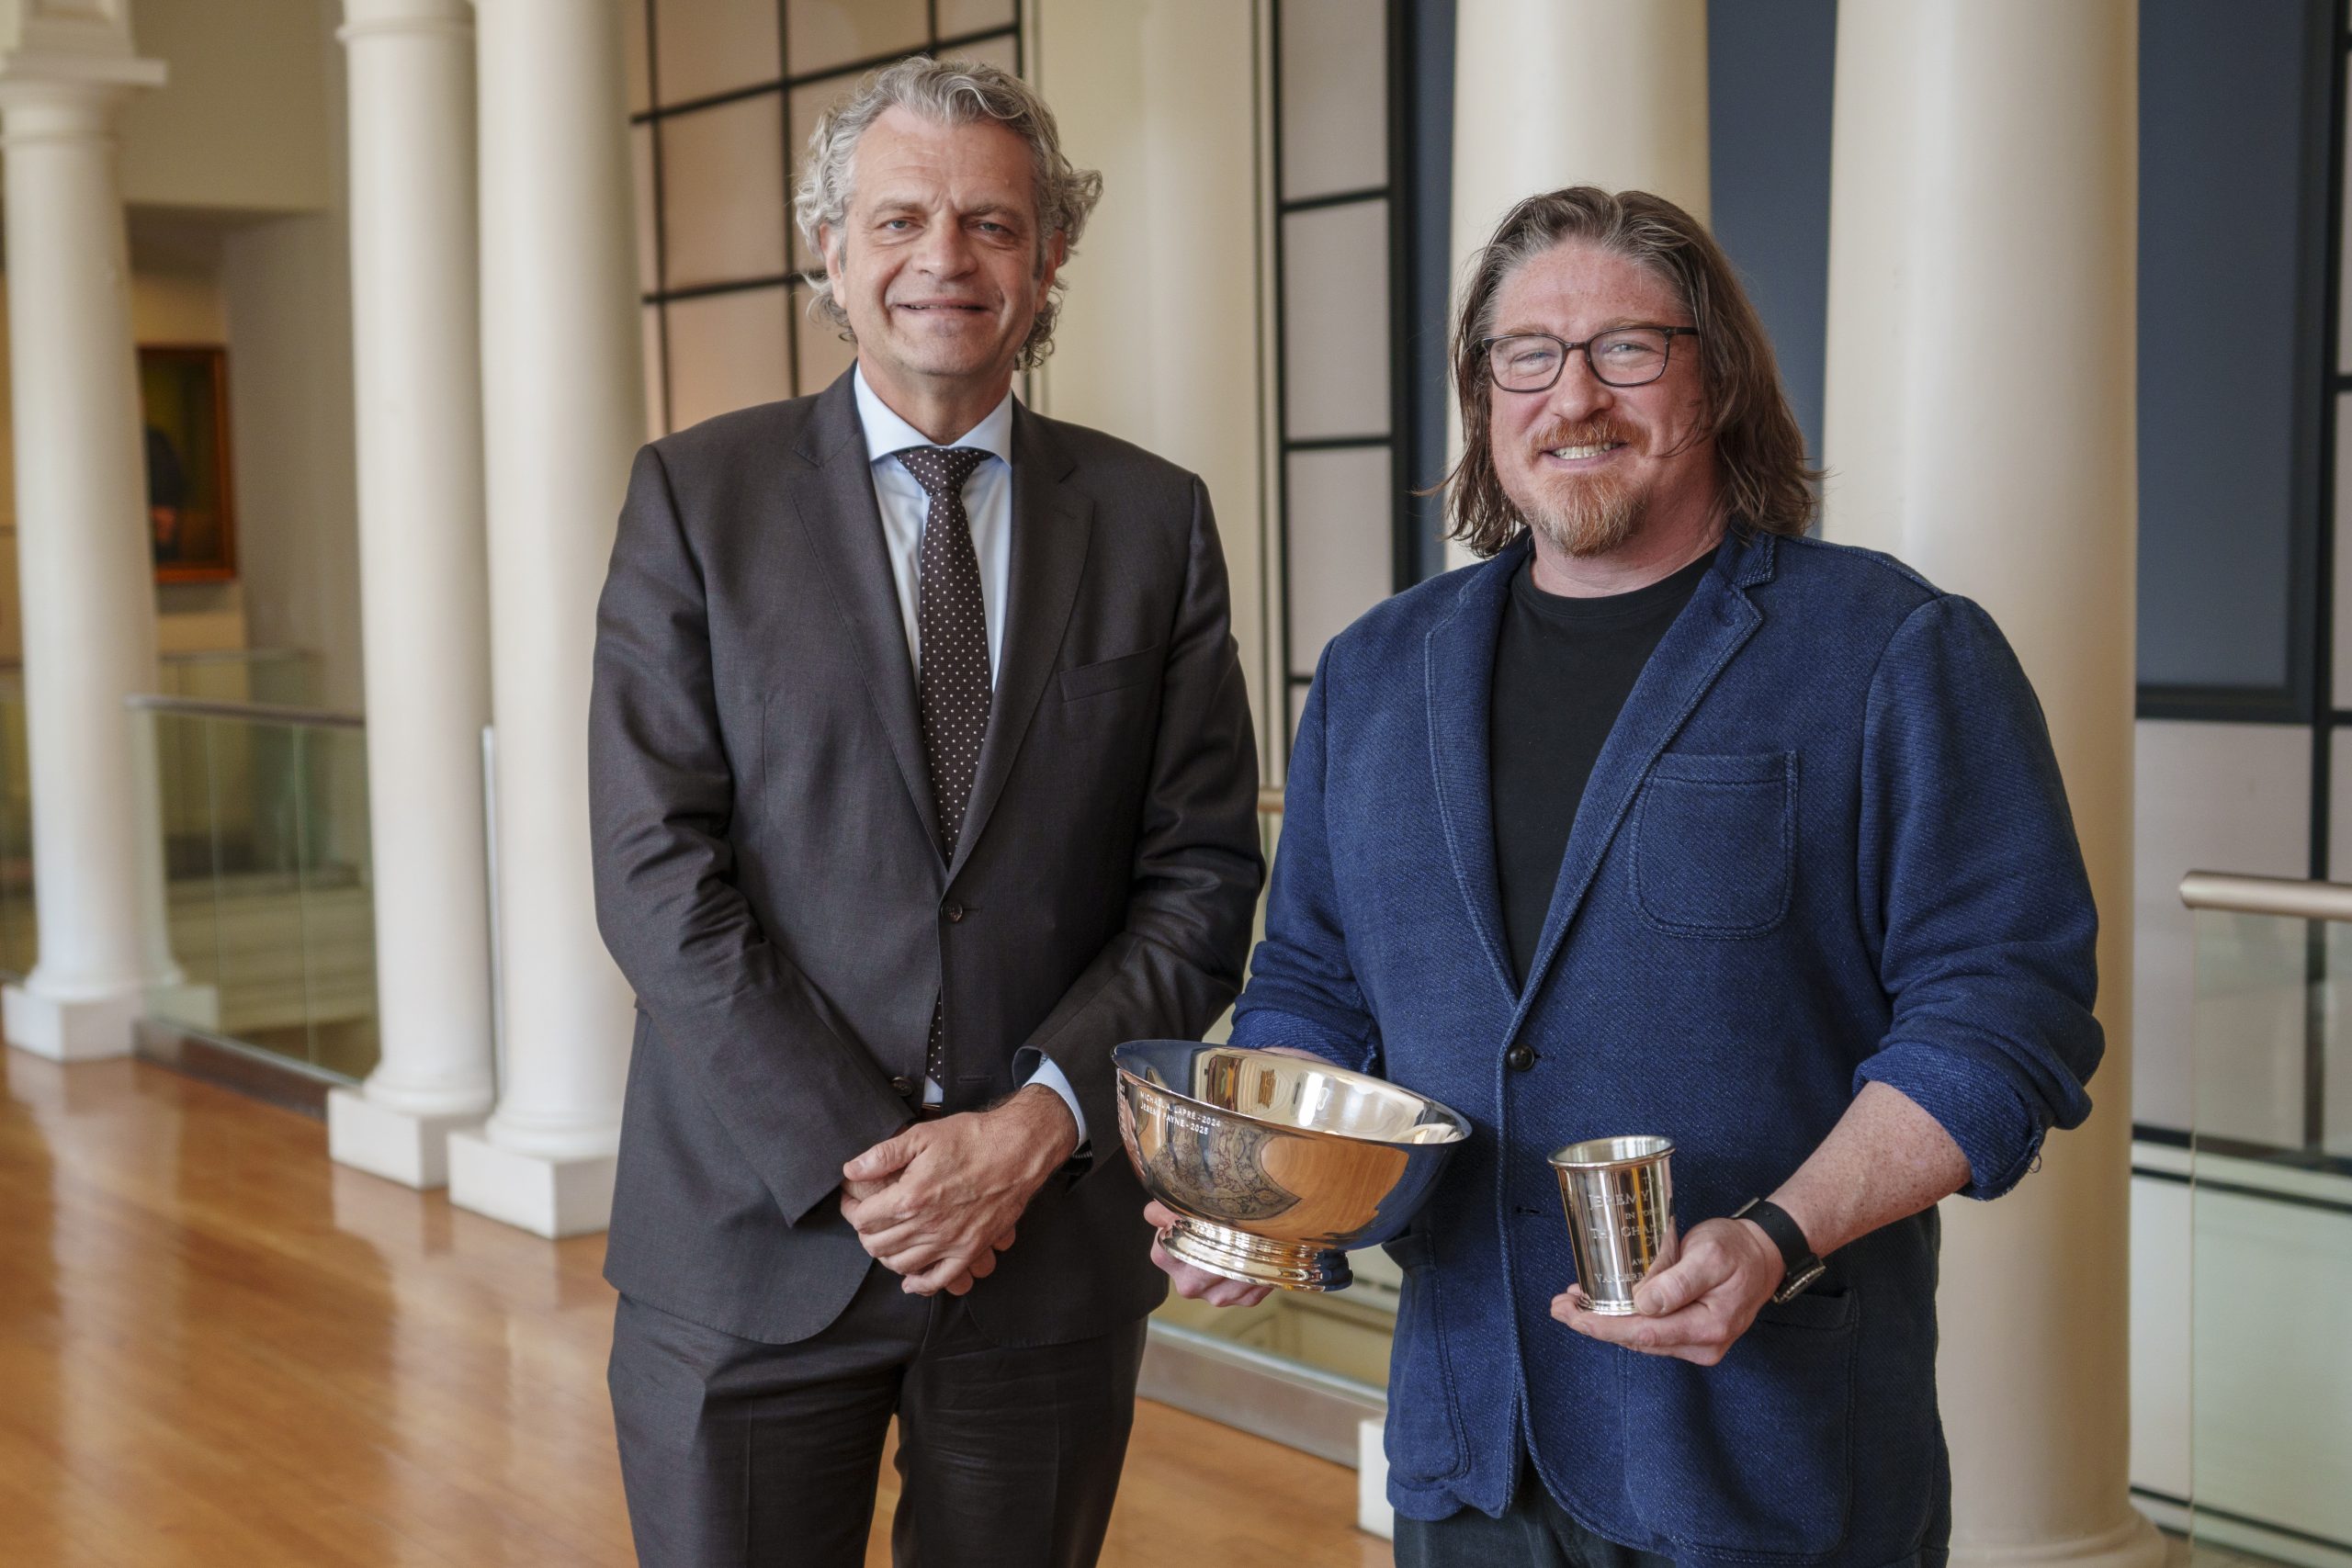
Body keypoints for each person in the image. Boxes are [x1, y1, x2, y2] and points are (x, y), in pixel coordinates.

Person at [1154, 186, 2102, 1567]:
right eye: (1525, 355)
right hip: (1469, 1443)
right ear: (1485, 398)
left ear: (1715, 376)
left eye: (1628, 349)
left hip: (1767, 1450)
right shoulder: (1374, 673)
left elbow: (2003, 1014)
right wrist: (1262, 1196)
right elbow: (1314, 983)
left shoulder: (1893, 649)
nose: (1573, 395)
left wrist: (1781, 1233)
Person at [590, 56, 1261, 1568]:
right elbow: (654, 873)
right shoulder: (698, 501)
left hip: (1046, 1249)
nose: (945, 261)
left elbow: (1201, 878)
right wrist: (878, 1167)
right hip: (754, 1245)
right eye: (898, 220)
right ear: (830, 250)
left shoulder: (1155, 521)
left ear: (1052, 259)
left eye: (992, 224)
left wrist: (1031, 1128)